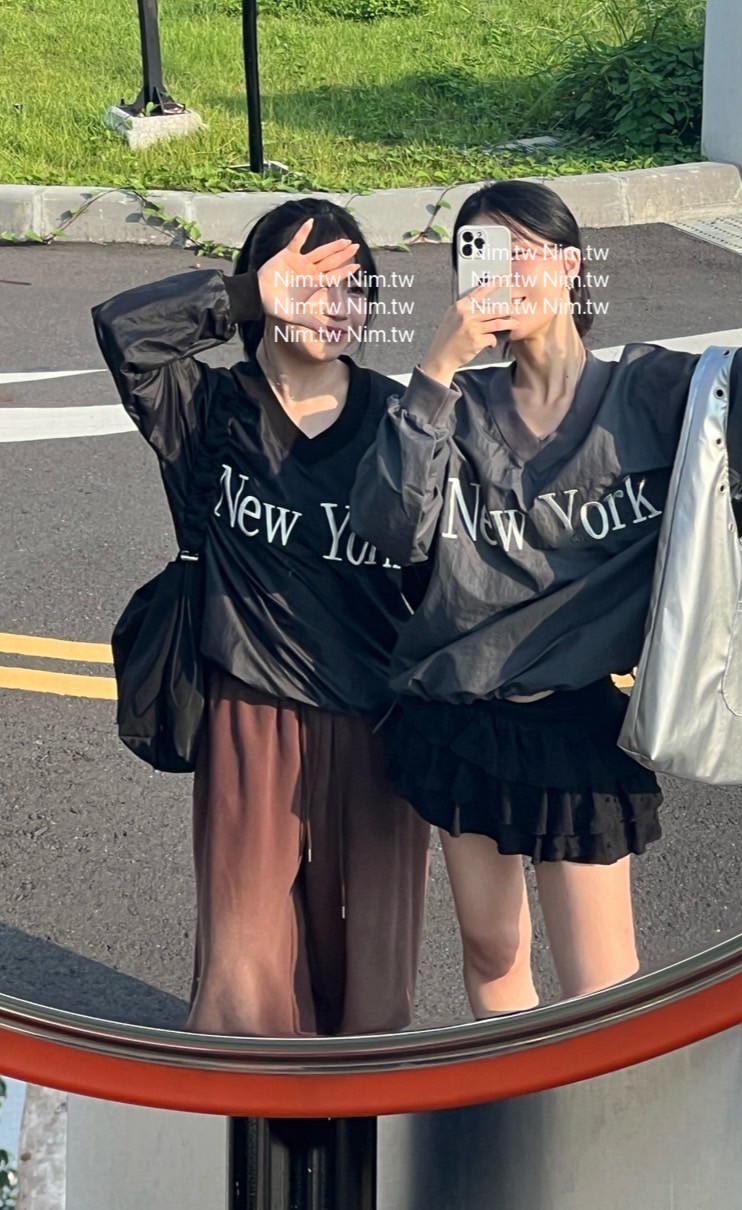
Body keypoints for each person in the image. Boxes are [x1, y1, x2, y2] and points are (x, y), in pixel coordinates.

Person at [349, 179, 742, 1020]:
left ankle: (598, 1102)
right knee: (493, 953)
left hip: (574, 720)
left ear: (570, 265)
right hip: (457, 711)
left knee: (603, 985)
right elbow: (390, 531)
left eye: (519, 253)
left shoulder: (654, 395)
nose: (501, 274)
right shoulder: (451, 411)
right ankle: (522, 1095)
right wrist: (434, 370)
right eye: (479, 255)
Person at [92, 199, 430, 1037]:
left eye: (353, 287)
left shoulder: (399, 419)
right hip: (249, 710)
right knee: (244, 966)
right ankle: (251, 1107)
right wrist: (244, 295)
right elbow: (126, 332)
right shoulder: (206, 410)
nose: (336, 306)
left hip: (380, 721)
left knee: (376, 969)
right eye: (310, 284)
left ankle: (362, 1106)